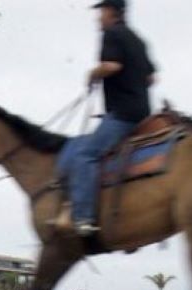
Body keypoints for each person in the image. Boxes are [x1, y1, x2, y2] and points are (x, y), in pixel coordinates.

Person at [63, 0, 157, 236]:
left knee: (85, 155)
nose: (98, 17)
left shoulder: (112, 34)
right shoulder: (138, 40)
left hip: (123, 114)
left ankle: (83, 217)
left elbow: (112, 65)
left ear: (113, 12)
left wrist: (93, 74)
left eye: (102, 11)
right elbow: (151, 78)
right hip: (143, 113)